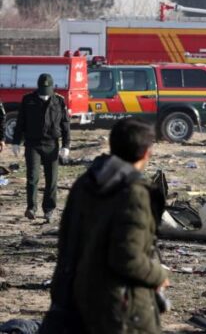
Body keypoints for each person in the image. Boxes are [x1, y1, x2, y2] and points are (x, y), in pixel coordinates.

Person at [40, 117, 169, 334]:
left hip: (76, 297)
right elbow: (128, 257)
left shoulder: (86, 182)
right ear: (147, 152)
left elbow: (66, 241)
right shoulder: (134, 192)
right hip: (119, 308)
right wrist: (159, 275)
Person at [11, 73, 70, 222]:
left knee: (52, 179)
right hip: (33, 144)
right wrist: (16, 142)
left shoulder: (59, 101)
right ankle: (31, 208)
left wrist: (66, 146)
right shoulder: (28, 100)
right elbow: (20, 122)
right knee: (32, 177)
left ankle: (49, 210)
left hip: (52, 144)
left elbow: (65, 125)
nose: (44, 96)